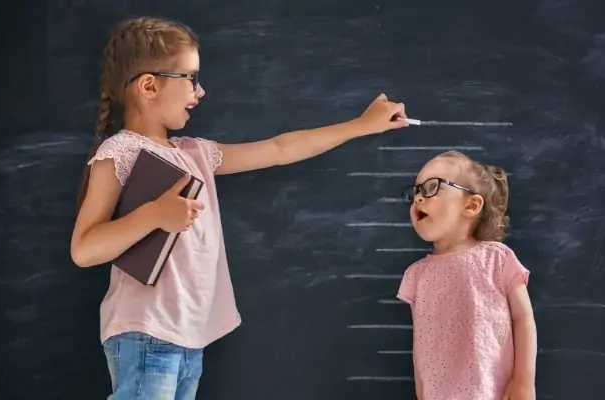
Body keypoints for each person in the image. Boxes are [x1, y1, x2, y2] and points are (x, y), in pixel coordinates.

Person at [69, 16, 409, 400]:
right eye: (191, 79)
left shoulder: (195, 153)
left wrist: (361, 125)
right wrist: (154, 215)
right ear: (150, 85)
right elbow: (85, 248)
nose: (200, 92)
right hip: (147, 331)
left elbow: (281, 149)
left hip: (188, 337)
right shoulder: (121, 152)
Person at [396, 150, 537, 400]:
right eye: (415, 191)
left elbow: (523, 319)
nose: (418, 198)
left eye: (431, 188)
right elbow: (420, 348)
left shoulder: (497, 259)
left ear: (471, 205)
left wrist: (523, 380)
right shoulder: (416, 275)